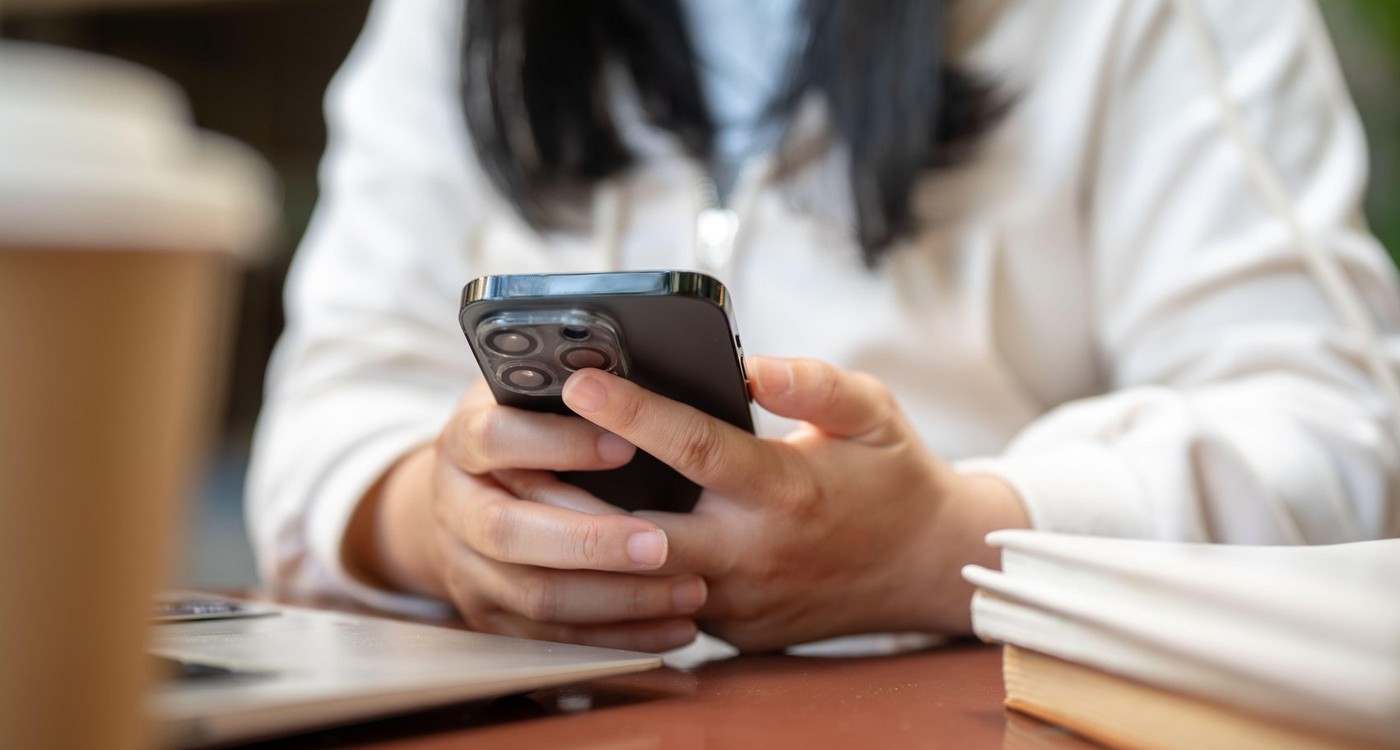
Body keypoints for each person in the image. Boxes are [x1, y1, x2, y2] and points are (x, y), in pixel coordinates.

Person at [248, 0, 1400, 654]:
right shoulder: (451, 23)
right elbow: (322, 417)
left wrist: (951, 540)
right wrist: (432, 519)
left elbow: (1336, 439)